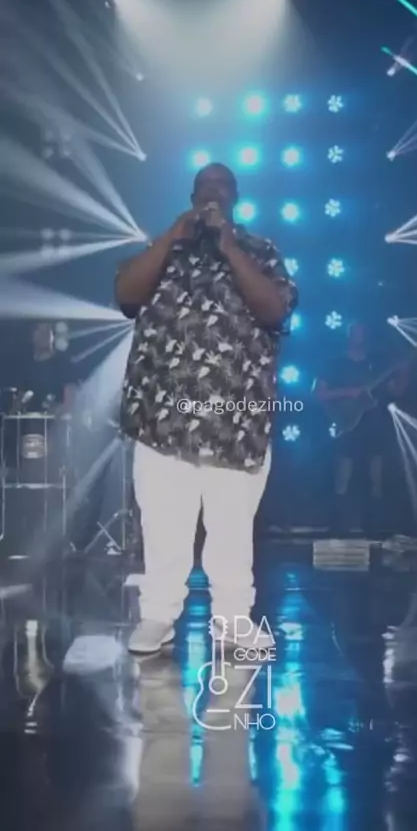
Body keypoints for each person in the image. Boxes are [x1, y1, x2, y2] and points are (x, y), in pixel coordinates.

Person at [115, 163, 297, 654]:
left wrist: (229, 247)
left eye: (221, 187)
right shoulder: (166, 249)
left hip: (235, 421)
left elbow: (274, 310)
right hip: (162, 416)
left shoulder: (259, 251)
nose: (212, 194)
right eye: (204, 188)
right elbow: (126, 294)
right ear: (191, 196)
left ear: (235, 197)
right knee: (162, 524)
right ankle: (157, 616)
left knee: (232, 529)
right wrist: (171, 237)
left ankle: (233, 620)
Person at [316, 321, 406, 534]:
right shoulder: (335, 363)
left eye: (362, 331)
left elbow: (396, 391)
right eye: (355, 331)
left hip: (374, 425)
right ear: (348, 335)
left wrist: (404, 374)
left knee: (376, 478)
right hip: (347, 424)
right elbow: (319, 393)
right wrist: (349, 392)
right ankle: (337, 526)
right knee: (342, 477)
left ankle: (374, 527)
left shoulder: (377, 363)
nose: (359, 335)